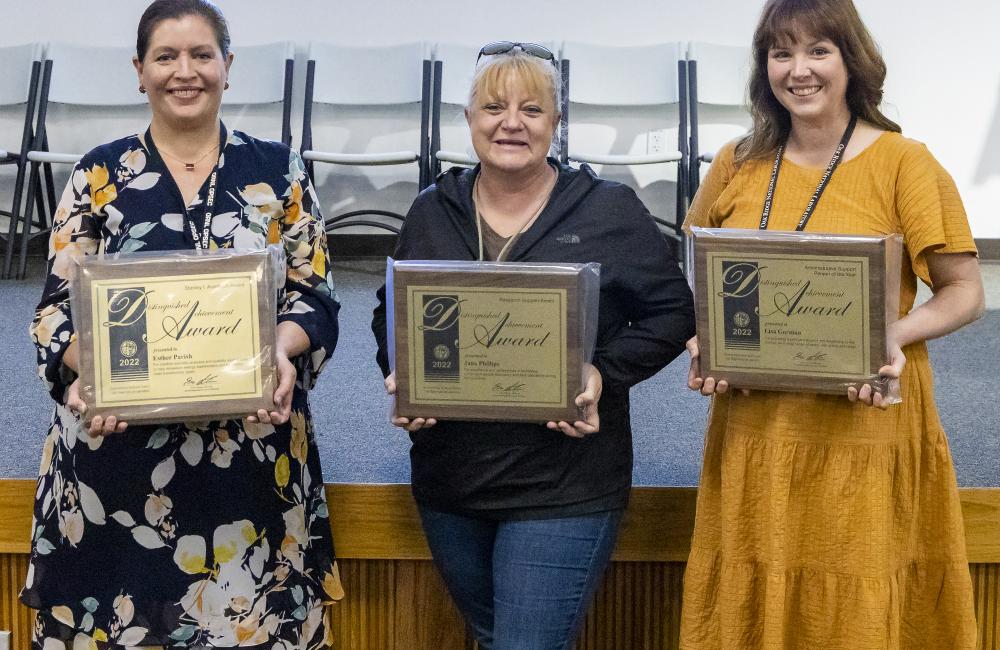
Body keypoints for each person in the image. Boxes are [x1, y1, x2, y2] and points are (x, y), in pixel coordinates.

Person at [23, 1, 343, 647]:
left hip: (248, 456)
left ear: (228, 65)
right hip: (117, 463)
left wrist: (281, 352)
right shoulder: (98, 174)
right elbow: (56, 311)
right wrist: (93, 376)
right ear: (140, 71)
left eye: (201, 55)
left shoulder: (278, 169)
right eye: (166, 57)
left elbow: (314, 294)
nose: (184, 71)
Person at [680, 0, 985, 648]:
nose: (799, 69)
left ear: (853, 60)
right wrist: (710, 336)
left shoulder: (906, 162)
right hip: (758, 428)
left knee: (852, 603)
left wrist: (888, 336)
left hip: (861, 421)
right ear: (765, 67)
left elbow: (963, 292)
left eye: (819, 50)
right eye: (781, 52)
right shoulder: (736, 161)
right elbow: (703, 268)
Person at [371, 42, 695, 649]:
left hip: (564, 480)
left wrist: (602, 373)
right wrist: (403, 379)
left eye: (532, 109)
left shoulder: (608, 210)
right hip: (452, 477)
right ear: (468, 120)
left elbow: (674, 311)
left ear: (556, 124)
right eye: (493, 107)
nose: (511, 123)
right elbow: (392, 314)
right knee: (500, 637)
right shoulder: (430, 212)